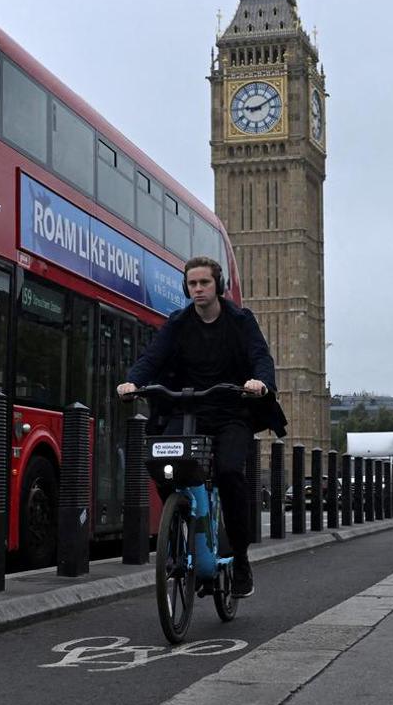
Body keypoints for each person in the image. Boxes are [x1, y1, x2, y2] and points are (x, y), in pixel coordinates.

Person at [117, 256, 286, 599]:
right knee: (162, 465)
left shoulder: (240, 321)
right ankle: (181, 525)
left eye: (204, 283)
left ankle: (240, 559)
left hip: (231, 412)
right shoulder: (178, 323)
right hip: (188, 410)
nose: (198, 289)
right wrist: (133, 382)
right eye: (192, 284)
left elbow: (260, 356)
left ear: (219, 286)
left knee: (228, 473)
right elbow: (153, 357)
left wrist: (260, 383)